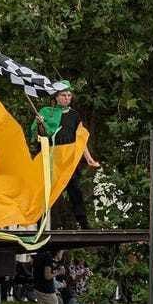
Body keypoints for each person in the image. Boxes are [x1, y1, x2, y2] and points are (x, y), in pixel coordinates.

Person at [31, 81, 100, 229]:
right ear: (56, 97)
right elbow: (42, 135)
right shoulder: (46, 112)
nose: (67, 98)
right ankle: (40, 225)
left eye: (69, 95)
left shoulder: (74, 115)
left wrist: (88, 158)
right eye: (63, 95)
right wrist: (40, 123)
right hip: (50, 158)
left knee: (75, 190)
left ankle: (84, 224)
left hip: (68, 159)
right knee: (45, 191)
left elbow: (80, 138)